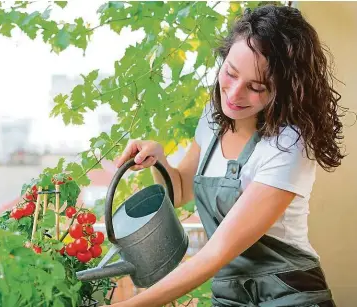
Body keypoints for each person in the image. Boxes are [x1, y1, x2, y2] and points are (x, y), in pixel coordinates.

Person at [107, 4, 345, 307]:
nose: (233, 95)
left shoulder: (289, 144)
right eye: (230, 73)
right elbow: (179, 191)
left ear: (282, 90)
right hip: (231, 295)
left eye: (256, 87)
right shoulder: (212, 118)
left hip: (289, 294)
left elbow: (216, 253)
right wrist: (160, 161)